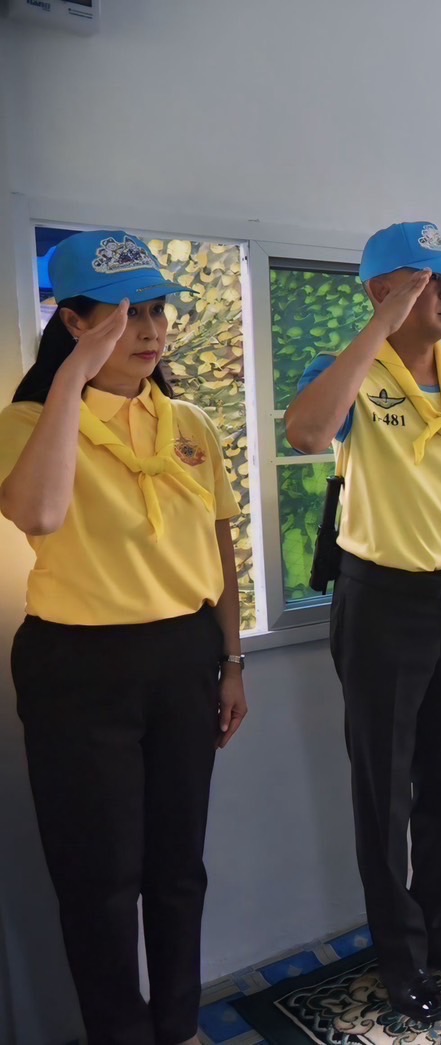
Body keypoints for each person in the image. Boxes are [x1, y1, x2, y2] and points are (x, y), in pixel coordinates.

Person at [0, 230, 247, 1045]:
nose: (149, 329)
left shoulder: (188, 423)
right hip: (79, 667)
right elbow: (39, 512)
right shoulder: (28, 421)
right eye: (124, 313)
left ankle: (179, 1027)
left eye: (157, 310)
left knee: (178, 869)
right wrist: (73, 377)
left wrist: (232, 660)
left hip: (183, 656)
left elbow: (219, 547)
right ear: (73, 321)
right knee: (100, 880)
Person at [284, 221, 441, 1022]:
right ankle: (401, 958)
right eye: (427, 280)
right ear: (382, 290)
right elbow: (308, 431)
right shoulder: (347, 372)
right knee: (383, 790)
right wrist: (380, 325)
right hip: (381, 603)